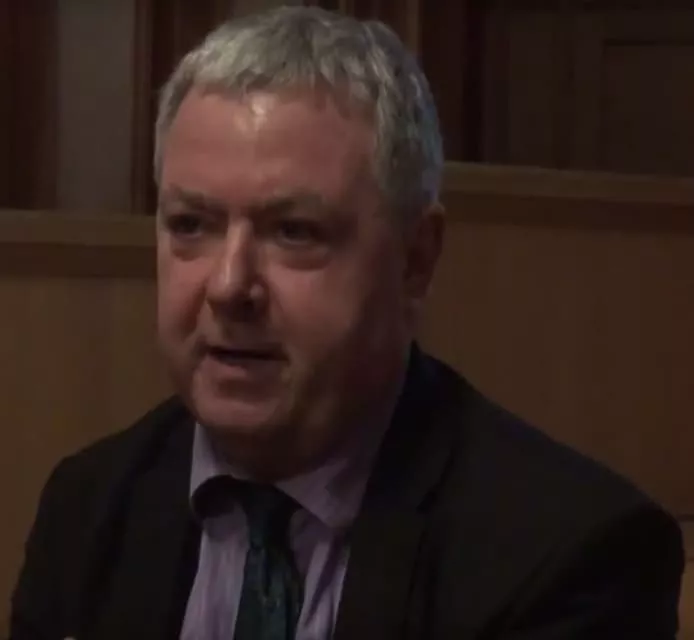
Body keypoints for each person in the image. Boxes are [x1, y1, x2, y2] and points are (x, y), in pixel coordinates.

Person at [10, 6, 683, 640]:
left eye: (294, 231)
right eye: (191, 225)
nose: (229, 285)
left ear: (415, 260)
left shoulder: (569, 555)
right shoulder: (90, 508)